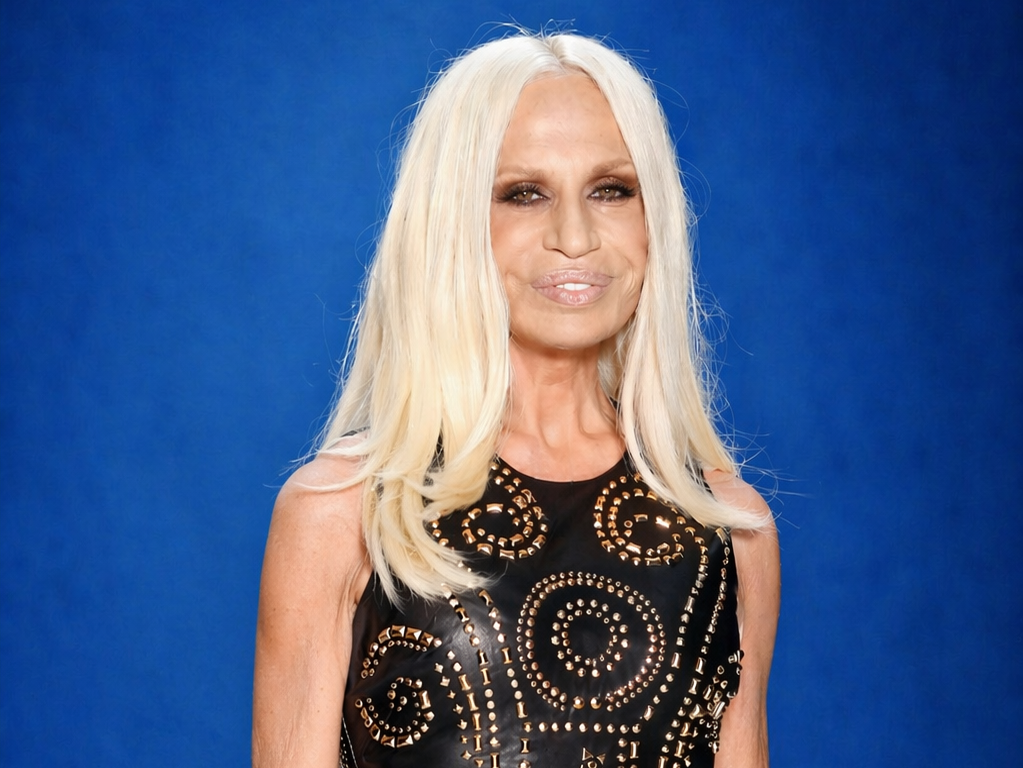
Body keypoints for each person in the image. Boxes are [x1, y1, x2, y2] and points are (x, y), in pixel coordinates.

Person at [253, 31, 780, 768]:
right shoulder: (343, 514)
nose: (575, 236)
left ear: (654, 217)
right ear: (452, 223)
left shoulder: (727, 530)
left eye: (611, 189)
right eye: (524, 194)